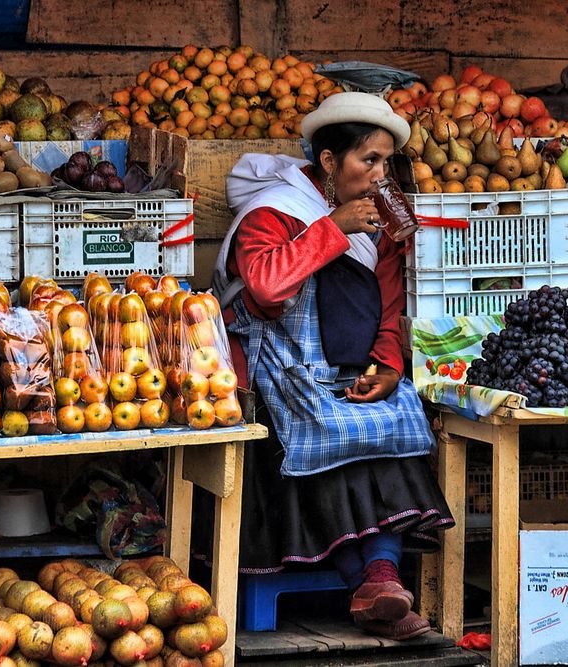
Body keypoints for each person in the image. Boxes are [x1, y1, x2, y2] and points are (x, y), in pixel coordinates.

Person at [210, 92, 455, 640]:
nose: (379, 175)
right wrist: (333, 227)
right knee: (323, 432)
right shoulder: (272, 211)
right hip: (278, 376)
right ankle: (373, 583)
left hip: (349, 372)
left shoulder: (381, 226)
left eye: (385, 162)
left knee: (394, 421)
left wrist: (388, 365)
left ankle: (380, 584)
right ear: (327, 162)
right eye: (368, 160)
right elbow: (267, 287)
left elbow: (391, 305)